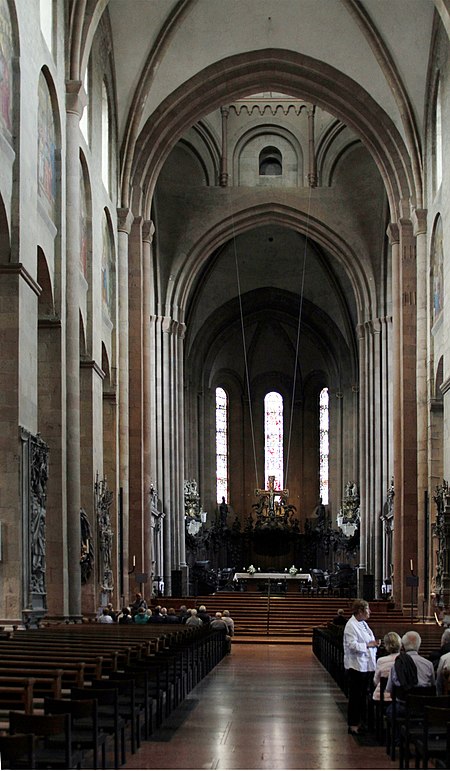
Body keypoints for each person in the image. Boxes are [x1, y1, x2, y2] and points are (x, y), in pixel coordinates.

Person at [343, 598, 381, 735]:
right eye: (367, 609)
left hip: (366, 666)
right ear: (360, 611)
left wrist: (374, 643)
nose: (370, 611)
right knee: (355, 697)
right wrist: (368, 645)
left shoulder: (363, 623)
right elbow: (351, 645)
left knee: (362, 696)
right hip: (356, 667)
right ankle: (353, 724)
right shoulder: (351, 625)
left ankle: (361, 722)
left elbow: (367, 639)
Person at [385, 630, 436, 714]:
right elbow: (433, 686)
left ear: (403, 646)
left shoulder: (397, 664)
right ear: (419, 645)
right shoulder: (428, 664)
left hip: (403, 707)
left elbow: (389, 689)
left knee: (389, 711)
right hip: (424, 708)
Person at [372, 631, 401, 701]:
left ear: (386, 645)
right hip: (399, 696)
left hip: (382, 695)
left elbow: (376, 681)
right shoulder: (405, 660)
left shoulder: (381, 661)